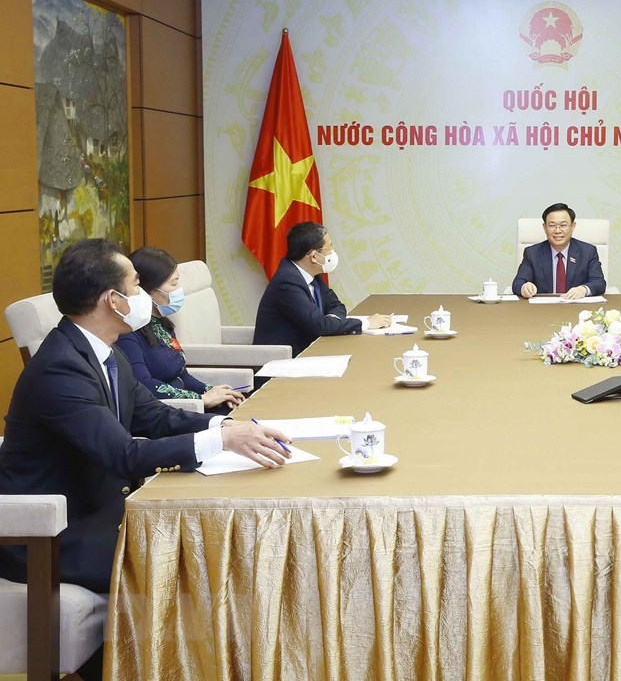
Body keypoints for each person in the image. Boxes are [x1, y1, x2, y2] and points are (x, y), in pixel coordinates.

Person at [0, 238, 291, 594]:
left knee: (223, 536)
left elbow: (153, 416)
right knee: (204, 559)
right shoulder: (60, 369)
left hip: (103, 513)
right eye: (136, 284)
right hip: (57, 534)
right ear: (113, 299)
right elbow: (124, 455)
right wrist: (223, 440)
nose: (143, 295)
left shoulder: (104, 350)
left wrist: (226, 425)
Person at [114, 246, 244, 414]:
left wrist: (213, 391)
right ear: (148, 290)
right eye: (174, 283)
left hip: (187, 405)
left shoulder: (162, 323)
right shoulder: (127, 331)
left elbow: (182, 375)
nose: (179, 290)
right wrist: (199, 399)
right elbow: (142, 383)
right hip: (165, 412)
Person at [253, 222, 391, 356]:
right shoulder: (287, 282)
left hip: (309, 353)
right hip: (281, 364)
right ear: (314, 256)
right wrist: (367, 323)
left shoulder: (312, 274)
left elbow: (337, 305)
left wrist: (331, 322)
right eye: (329, 247)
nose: (332, 252)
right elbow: (320, 326)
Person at [512, 203, 606, 300]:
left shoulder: (588, 252)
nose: (557, 231)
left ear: (573, 226)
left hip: (576, 308)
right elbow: (518, 283)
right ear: (545, 227)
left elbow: (599, 282)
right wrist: (524, 287)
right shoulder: (532, 253)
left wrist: (583, 289)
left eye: (563, 225)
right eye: (552, 225)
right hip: (543, 309)